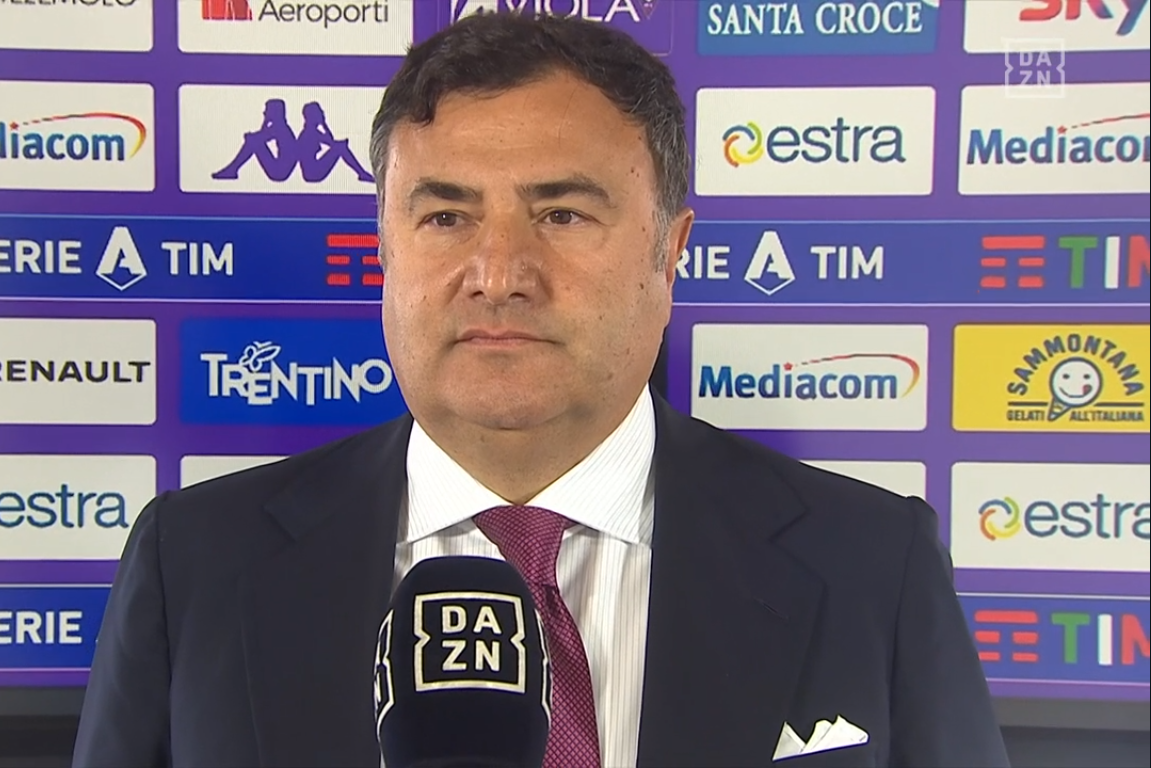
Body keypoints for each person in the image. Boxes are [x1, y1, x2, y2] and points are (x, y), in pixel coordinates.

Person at [73, 12, 1010, 768]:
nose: (498, 274)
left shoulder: (871, 567)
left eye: (560, 213)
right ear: (386, 251)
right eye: (446, 216)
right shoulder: (194, 566)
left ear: (670, 252)